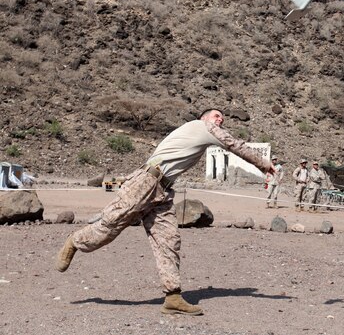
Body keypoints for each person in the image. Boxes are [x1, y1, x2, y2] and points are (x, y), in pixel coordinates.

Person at [54, 108, 274, 316]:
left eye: (222, 120)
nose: (220, 121)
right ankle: (75, 241)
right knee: (109, 227)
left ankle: (172, 297)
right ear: (204, 117)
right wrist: (265, 164)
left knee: (168, 240)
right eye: (217, 116)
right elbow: (235, 145)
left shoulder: (198, 135)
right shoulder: (202, 126)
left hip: (163, 190)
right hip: (146, 181)